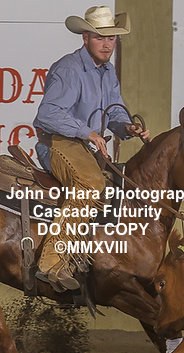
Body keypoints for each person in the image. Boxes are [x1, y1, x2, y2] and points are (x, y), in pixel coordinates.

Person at [33, 5, 150, 292]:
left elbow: (114, 111)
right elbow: (48, 113)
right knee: (91, 184)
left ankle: (87, 258)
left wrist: (127, 127)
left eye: (112, 38)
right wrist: (88, 132)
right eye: (100, 38)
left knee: (117, 188)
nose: (107, 44)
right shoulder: (69, 69)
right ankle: (51, 263)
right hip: (57, 141)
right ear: (85, 38)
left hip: (84, 145)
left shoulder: (107, 71)